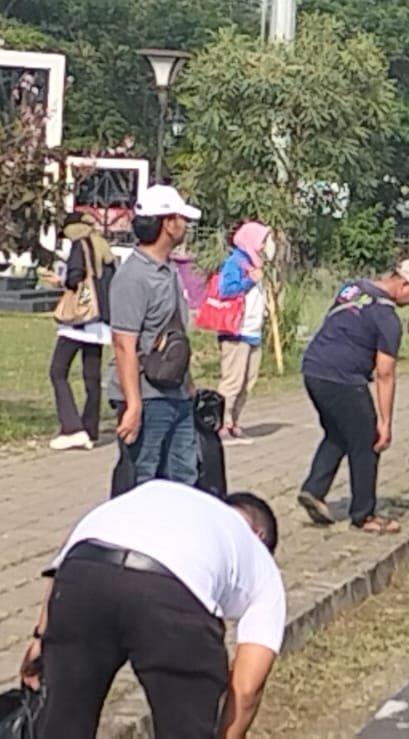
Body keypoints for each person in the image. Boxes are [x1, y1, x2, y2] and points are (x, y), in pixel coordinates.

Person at [19, 482, 285, 738]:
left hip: (84, 573)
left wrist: (41, 637)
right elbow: (247, 689)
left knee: (63, 721)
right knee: (185, 726)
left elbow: (66, 559)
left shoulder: (158, 495)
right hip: (170, 596)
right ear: (260, 537)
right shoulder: (263, 566)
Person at [296, 261, 409, 536]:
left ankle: (314, 489)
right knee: (367, 442)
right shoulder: (387, 318)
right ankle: (364, 514)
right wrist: (385, 422)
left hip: (313, 369)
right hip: (343, 379)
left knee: (338, 432)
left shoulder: (353, 288)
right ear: (404, 285)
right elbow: (385, 373)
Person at [110, 184, 201, 486]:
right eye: (181, 218)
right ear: (168, 223)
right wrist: (133, 405)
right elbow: (124, 345)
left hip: (176, 392)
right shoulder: (133, 276)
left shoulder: (169, 269)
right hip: (148, 396)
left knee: (183, 475)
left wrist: (188, 385)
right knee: (142, 476)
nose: (186, 225)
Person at [50, 213, 116, 452]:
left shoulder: (80, 246)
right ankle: (90, 429)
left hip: (80, 320)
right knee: (92, 377)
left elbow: (76, 278)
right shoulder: (103, 247)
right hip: (100, 322)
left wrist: (62, 281)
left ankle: (72, 428)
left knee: (58, 372)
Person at [214, 220, 273, 443]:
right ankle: (221, 422)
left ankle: (234, 421)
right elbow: (225, 290)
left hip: (252, 330)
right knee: (232, 380)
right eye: (263, 240)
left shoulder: (255, 262)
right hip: (235, 331)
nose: (265, 245)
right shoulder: (235, 262)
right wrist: (249, 281)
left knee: (248, 381)